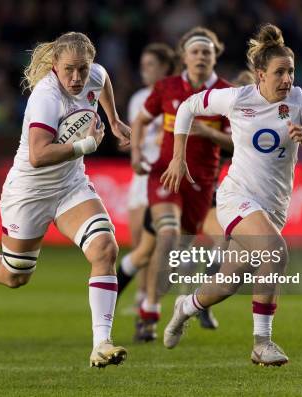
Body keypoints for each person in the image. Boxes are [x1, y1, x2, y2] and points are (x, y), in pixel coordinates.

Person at [0, 32, 131, 368]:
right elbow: (37, 155)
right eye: (69, 70)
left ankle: (101, 343)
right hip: (29, 193)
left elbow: (102, 81)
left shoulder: (95, 74)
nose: (77, 78)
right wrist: (86, 147)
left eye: (82, 68)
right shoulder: (46, 97)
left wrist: (114, 119)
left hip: (70, 186)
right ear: (55, 67)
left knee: (105, 249)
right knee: (15, 276)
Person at [161, 24, 302, 366]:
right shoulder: (238, 98)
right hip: (236, 197)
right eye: (279, 72)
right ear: (260, 75)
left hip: (273, 208)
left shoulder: (301, 102)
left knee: (225, 285)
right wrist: (178, 157)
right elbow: (187, 107)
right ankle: (261, 343)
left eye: (291, 72)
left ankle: (185, 307)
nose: (287, 79)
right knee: (275, 252)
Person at [129, 26, 232, 341]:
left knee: (181, 251)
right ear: (184, 57)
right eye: (195, 52)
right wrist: (135, 152)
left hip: (202, 180)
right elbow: (141, 120)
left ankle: (182, 302)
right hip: (166, 173)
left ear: (215, 56)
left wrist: (209, 133)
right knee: (168, 235)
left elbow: (235, 143)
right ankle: (150, 310)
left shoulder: (227, 95)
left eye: (206, 52)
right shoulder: (166, 87)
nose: (201, 56)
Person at [119, 43, 174, 320]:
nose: (145, 70)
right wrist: (132, 145)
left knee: (155, 244)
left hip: (163, 176)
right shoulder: (138, 98)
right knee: (139, 241)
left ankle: (149, 300)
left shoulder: (175, 95)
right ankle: (142, 295)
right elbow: (135, 138)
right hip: (140, 176)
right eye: (143, 65)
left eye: (150, 64)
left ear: (165, 67)